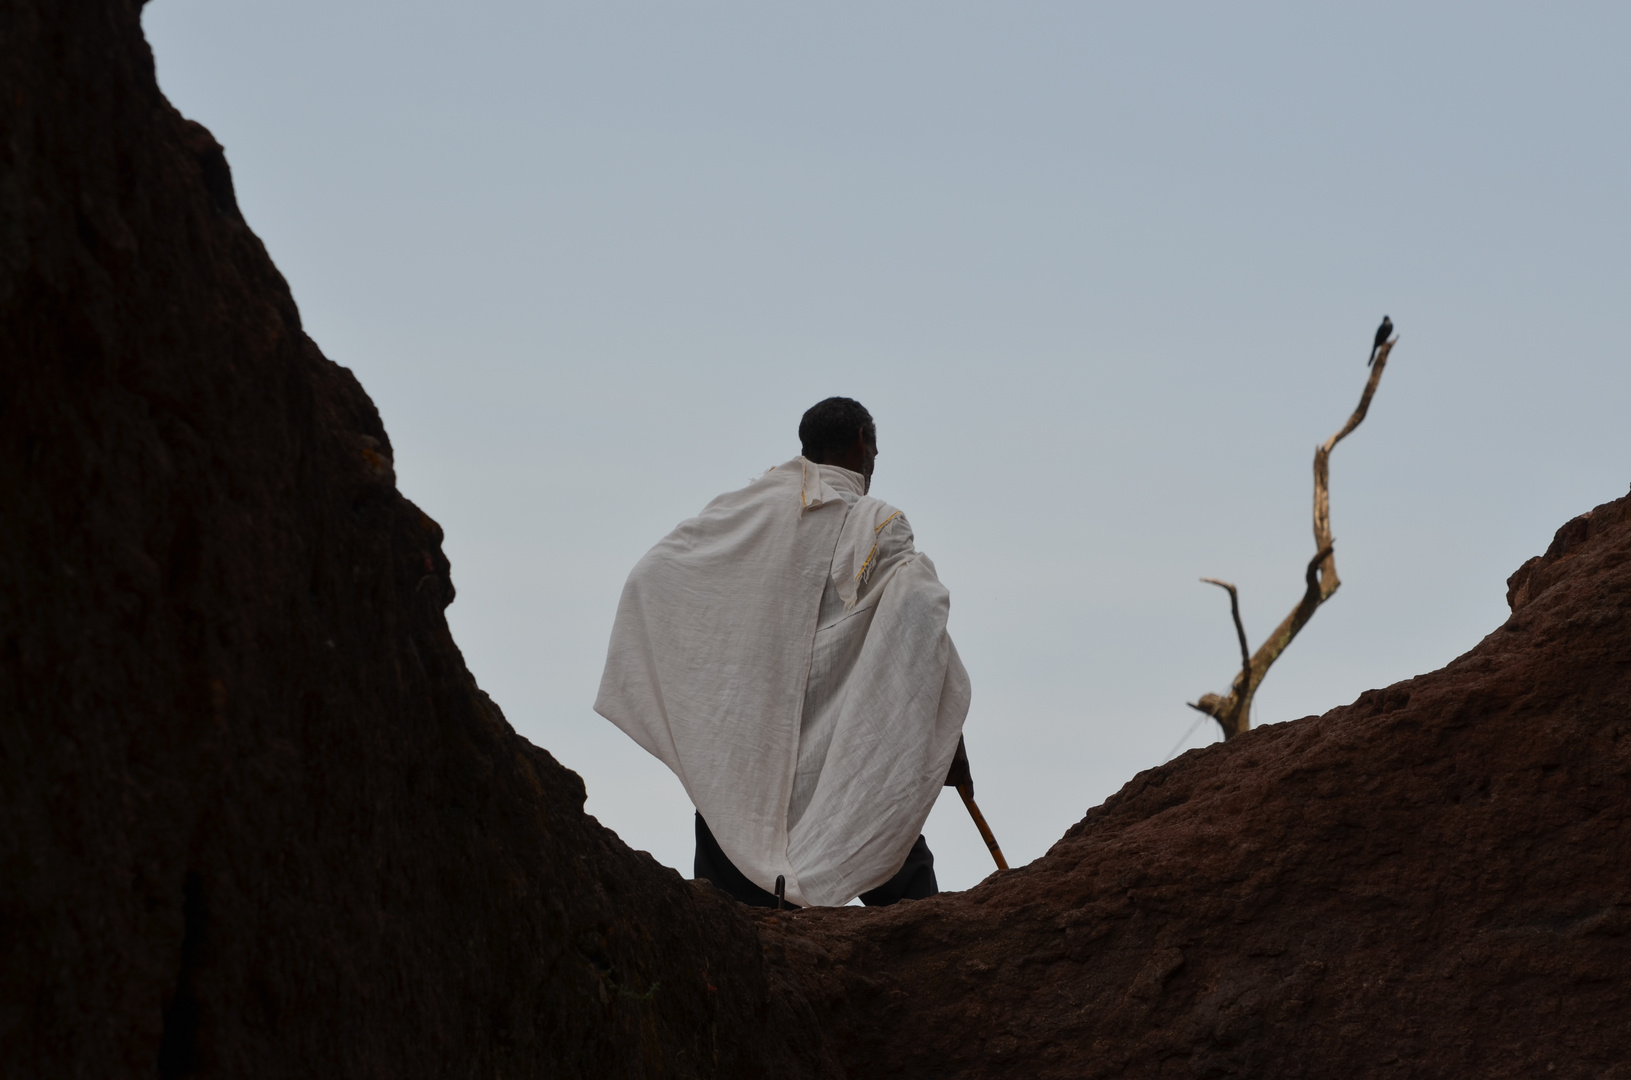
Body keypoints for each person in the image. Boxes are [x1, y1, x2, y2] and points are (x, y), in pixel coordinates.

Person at [594, 397, 973, 907]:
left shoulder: (747, 509)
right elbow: (917, 636)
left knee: (731, 837)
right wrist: (950, 740)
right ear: (863, 442)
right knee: (877, 823)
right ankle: (930, 956)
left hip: (752, 736)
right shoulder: (878, 523)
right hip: (838, 739)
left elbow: (656, 573)